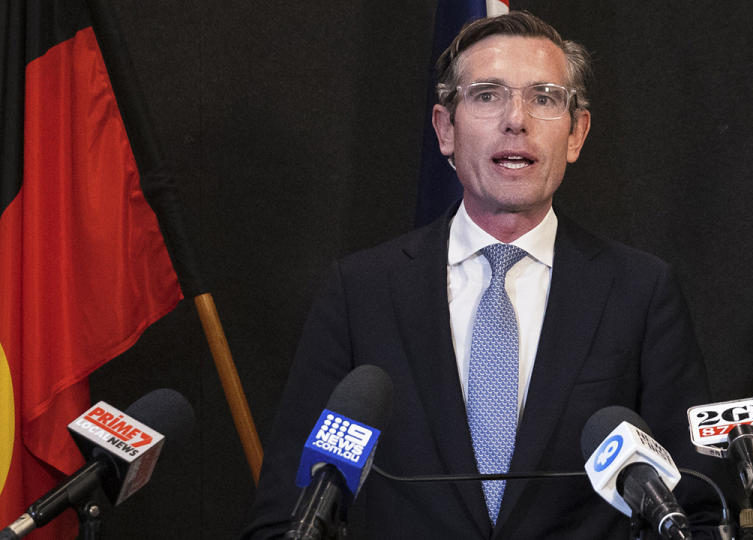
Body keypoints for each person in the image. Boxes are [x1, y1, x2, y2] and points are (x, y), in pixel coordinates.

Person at [244, 11, 726, 539]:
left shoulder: (641, 292)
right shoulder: (360, 293)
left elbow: (697, 509)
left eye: (543, 97)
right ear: (445, 129)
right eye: (487, 95)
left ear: (576, 133)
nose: (516, 120)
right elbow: (287, 515)